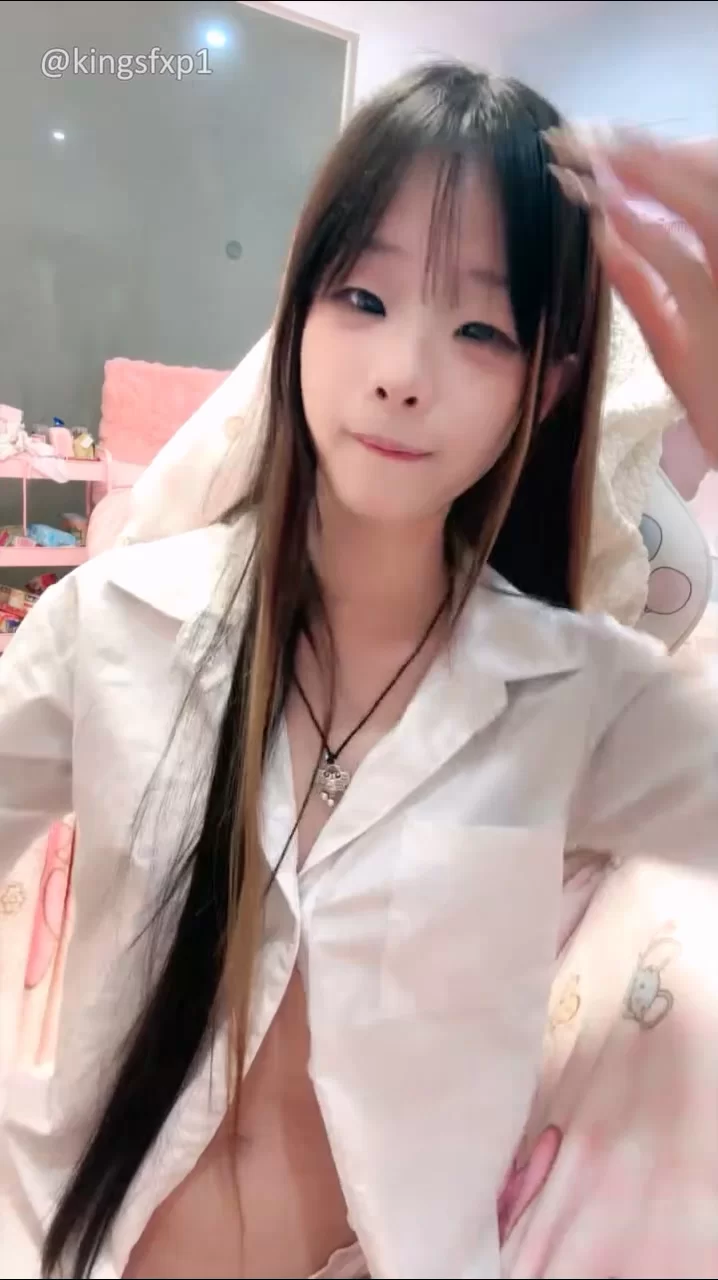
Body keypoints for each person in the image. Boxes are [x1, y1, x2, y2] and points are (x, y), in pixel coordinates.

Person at [0, 61, 716, 1280]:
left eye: (479, 328)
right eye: (362, 296)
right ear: (298, 311)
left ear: (545, 384)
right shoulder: (116, 624)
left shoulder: (572, 695)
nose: (402, 369)